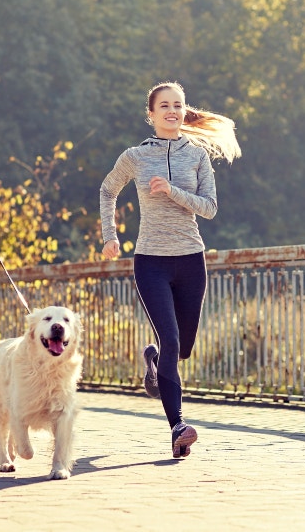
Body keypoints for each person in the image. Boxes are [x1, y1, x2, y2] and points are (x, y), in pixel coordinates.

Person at [99, 81, 241, 458]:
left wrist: (172, 191)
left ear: (183, 110)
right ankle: (178, 426)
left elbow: (210, 207)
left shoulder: (196, 156)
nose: (172, 111)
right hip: (150, 261)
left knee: (183, 347)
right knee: (172, 339)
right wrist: (110, 235)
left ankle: (154, 363)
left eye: (178, 105)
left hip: (191, 259)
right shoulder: (134, 156)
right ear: (151, 113)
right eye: (164, 105)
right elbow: (108, 190)